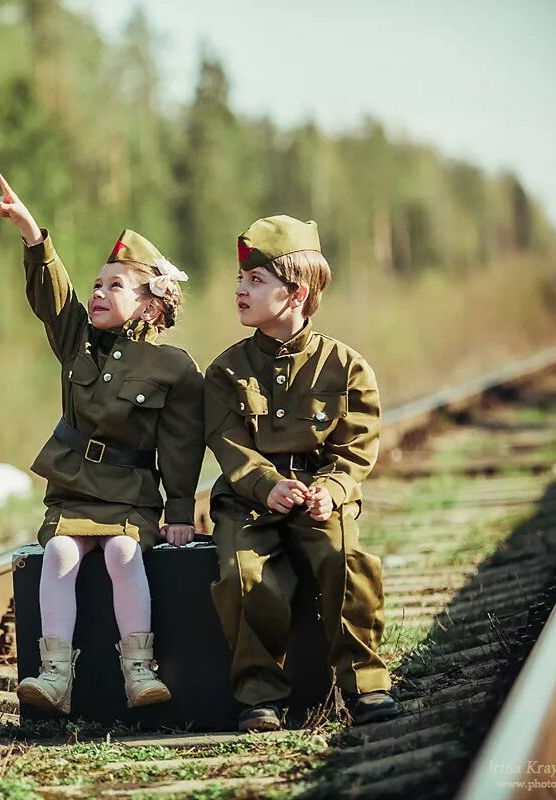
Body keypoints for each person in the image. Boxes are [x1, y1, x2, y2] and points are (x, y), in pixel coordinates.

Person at [0, 170, 204, 713]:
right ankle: (54, 676)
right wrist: (33, 236)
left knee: (123, 554)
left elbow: (181, 445)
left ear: (153, 304)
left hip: (131, 494)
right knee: (58, 553)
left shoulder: (173, 368)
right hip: (74, 486)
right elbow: (53, 297)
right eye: (97, 283)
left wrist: (180, 508)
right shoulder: (78, 340)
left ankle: (140, 672)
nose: (99, 293)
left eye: (116, 286)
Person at [204, 215, 400, 732]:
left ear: (295, 293)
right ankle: (260, 697)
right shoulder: (226, 370)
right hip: (250, 502)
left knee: (346, 559)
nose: (240, 291)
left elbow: (358, 444)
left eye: (256, 281)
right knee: (246, 576)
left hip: (321, 496)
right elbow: (229, 445)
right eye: (240, 279)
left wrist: (331, 491)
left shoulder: (345, 366)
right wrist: (268, 488)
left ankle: (366, 686)